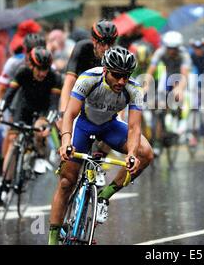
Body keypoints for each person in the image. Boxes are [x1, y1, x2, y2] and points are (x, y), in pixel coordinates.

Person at [48, 46, 154, 245]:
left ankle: (104, 196)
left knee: (146, 153)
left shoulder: (134, 89)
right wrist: (65, 143)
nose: (122, 81)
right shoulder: (88, 78)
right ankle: (52, 240)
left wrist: (131, 154)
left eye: (126, 76)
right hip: (84, 126)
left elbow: (134, 128)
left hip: (110, 126)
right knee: (66, 182)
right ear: (105, 70)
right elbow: (69, 114)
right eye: (117, 75)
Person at [0, 48, 62, 202]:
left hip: (43, 110)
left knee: (39, 128)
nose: (42, 73)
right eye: (39, 69)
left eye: (45, 69)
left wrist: (48, 124)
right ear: (32, 66)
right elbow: (9, 95)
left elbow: (54, 105)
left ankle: (40, 155)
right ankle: (5, 186)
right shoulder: (22, 72)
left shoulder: (55, 78)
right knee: (12, 142)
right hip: (24, 108)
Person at [0, 33, 46, 188]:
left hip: (38, 100)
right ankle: (5, 173)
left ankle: (39, 152)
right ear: (25, 51)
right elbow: (1, 89)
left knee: (40, 128)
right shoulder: (14, 64)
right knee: (10, 136)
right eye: (31, 53)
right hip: (18, 100)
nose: (34, 56)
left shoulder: (46, 65)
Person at [58, 19, 118, 124]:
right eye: (103, 43)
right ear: (94, 40)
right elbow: (69, 82)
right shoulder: (82, 48)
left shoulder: (116, 55)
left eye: (110, 43)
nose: (107, 48)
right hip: (80, 97)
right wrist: (63, 112)